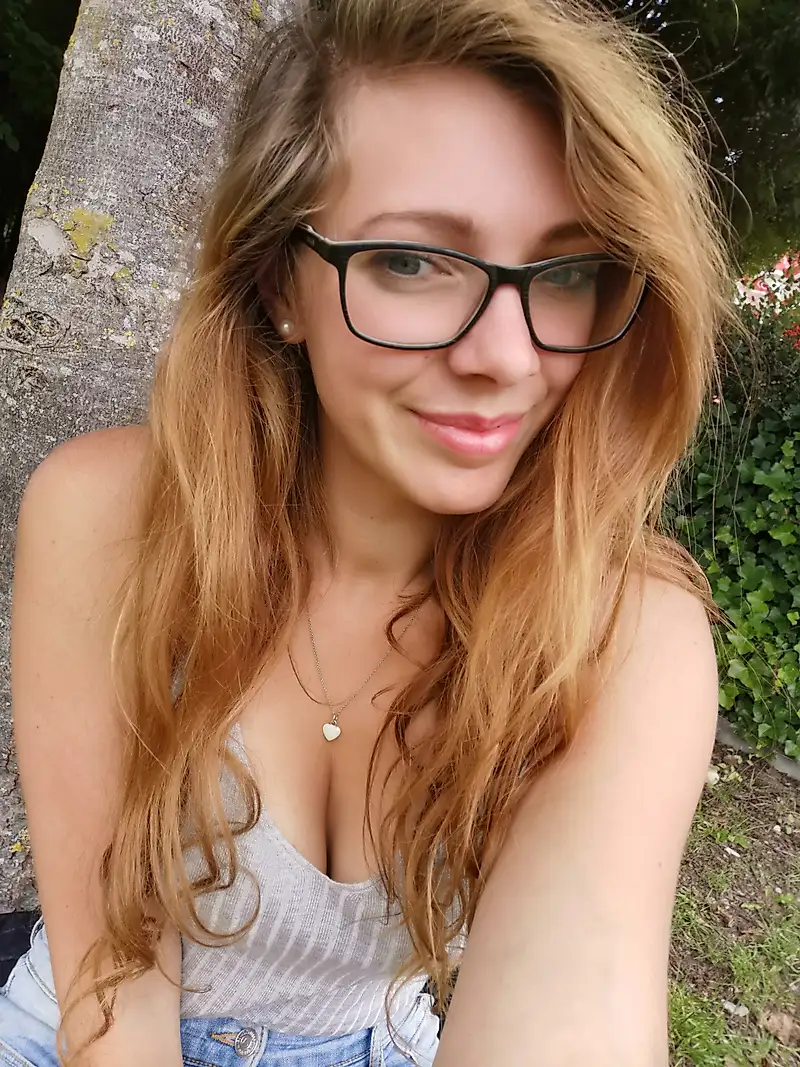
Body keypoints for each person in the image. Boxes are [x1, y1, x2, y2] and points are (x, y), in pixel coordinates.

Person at [1, 0, 733, 1063]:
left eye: (567, 272)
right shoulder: (110, 519)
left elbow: (572, 1004)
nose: (506, 356)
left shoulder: (618, 633)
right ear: (277, 281)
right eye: (412, 261)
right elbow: (113, 989)